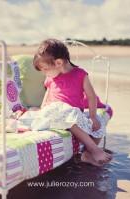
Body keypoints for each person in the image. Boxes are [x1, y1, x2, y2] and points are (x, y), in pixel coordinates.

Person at [33, 38, 113, 166]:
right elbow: (47, 93)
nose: (44, 73)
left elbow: (91, 96)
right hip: (56, 116)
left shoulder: (80, 75)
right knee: (66, 110)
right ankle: (94, 149)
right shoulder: (51, 77)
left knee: (100, 122)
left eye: (45, 69)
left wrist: (93, 117)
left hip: (74, 116)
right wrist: (42, 109)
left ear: (58, 62)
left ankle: (87, 154)